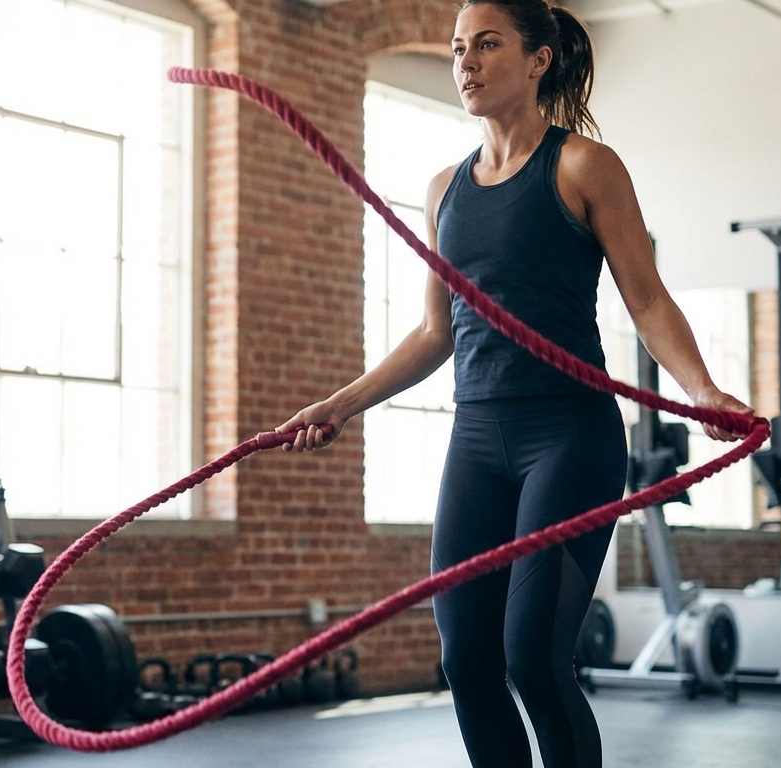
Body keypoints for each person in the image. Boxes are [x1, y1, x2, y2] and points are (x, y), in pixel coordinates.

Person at [276, 1, 752, 765]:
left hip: (569, 434)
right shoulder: (444, 191)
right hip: (477, 438)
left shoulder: (583, 166)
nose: (465, 61)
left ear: (538, 61)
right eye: (459, 47)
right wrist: (339, 407)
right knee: (467, 661)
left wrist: (701, 390)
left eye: (487, 45)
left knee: (532, 657)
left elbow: (648, 298)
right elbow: (437, 333)